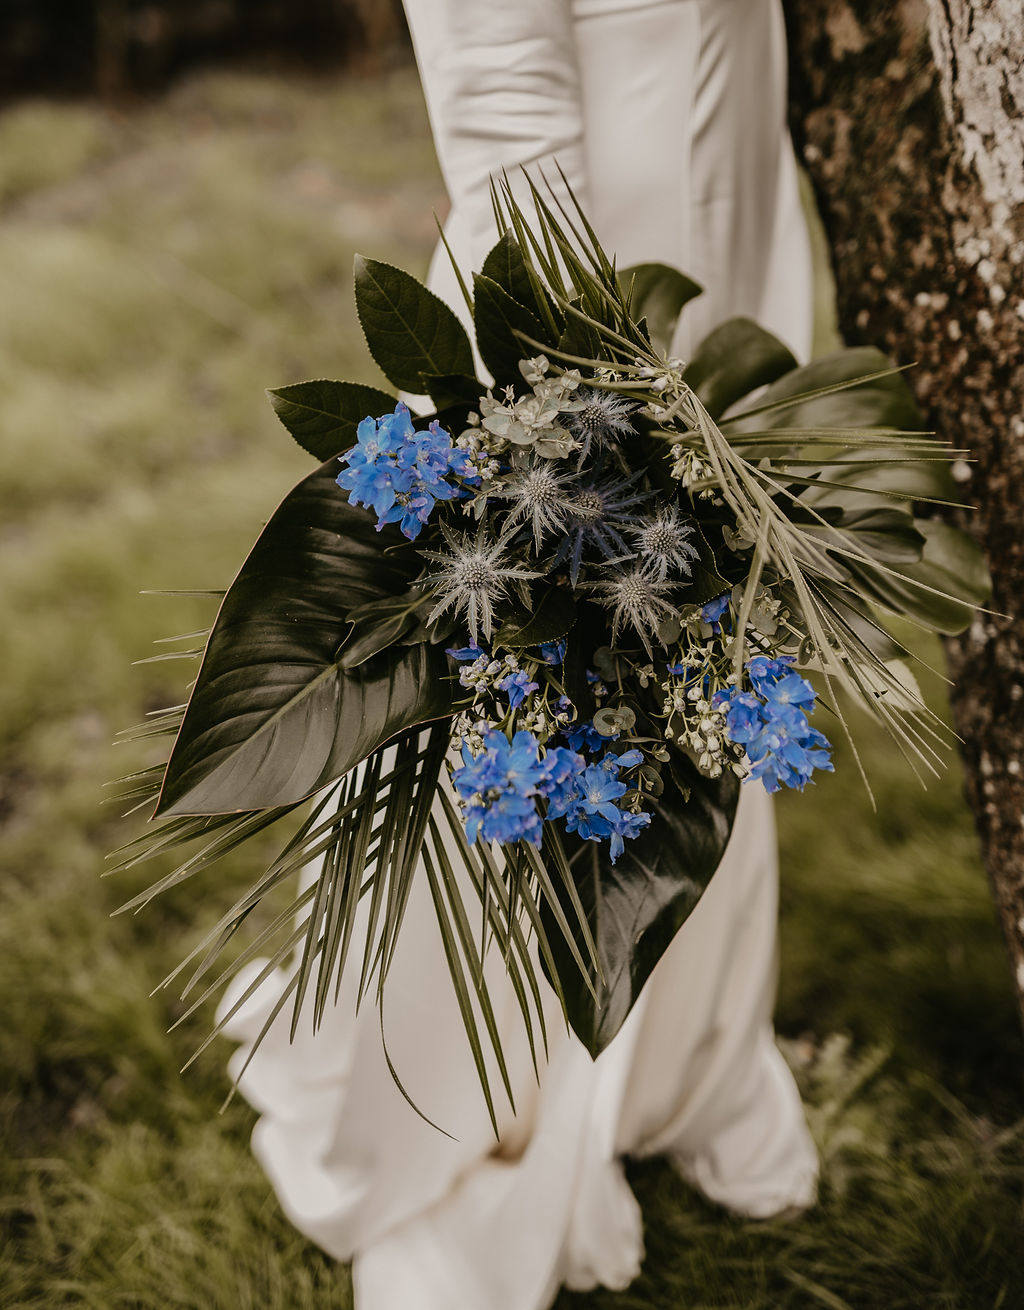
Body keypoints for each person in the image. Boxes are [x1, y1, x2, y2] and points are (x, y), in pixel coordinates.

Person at [220, 3, 818, 1305]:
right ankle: (475, 1125)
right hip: (578, 293)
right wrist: (563, 389)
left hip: (736, 250)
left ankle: (681, 1060)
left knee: (712, 681)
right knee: (533, 706)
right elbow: (495, 86)